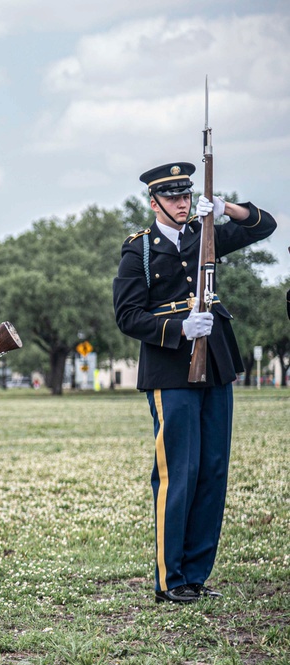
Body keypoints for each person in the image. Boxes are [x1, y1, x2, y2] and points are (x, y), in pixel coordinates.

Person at [113, 162, 277, 604]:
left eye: (186, 196)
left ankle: (196, 576)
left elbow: (266, 225)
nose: (182, 203)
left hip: (217, 363)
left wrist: (226, 208)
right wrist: (179, 329)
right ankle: (171, 579)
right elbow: (127, 316)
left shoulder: (206, 235)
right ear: (154, 202)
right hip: (172, 369)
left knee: (212, 471)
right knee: (178, 473)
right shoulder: (140, 251)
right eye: (172, 197)